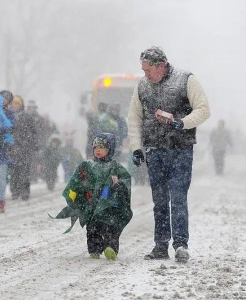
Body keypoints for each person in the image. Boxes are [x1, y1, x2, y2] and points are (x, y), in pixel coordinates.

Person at [128, 46, 210, 262]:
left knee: (178, 198)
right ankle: (161, 246)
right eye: (143, 70)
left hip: (180, 150)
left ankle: (181, 245)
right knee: (160, 200)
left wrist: (182, 123)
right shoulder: (142, 86)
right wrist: (136, 147)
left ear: (161, 66)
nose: (145, 74)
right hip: (155, 151)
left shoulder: (186, 80)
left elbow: (203, 109)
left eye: (148, 70)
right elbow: (134, 118)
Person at [50, 133, 133, 260]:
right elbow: (77, 181)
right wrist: (75, 194)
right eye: (95, 148)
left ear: (110, 150)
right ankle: (94, 249)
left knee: (110, 228)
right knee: (93, 228)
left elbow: (125, 181)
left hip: (109, 207)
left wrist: (118, 185)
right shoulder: (88, 166)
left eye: (102, 147)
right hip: (92, 205)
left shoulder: (116, 167)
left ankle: (111, 248)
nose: (98, 150)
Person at [10, 96, 37, 201]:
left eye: (16, 104)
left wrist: (31, 144)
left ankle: (25, 192)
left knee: (25, 171)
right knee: (14, 172)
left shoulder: (27, 116)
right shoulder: (9, 116)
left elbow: (33, 132)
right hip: (13, 149)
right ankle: (15, 191)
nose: (14, 106)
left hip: (25, 148)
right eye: (13, 104)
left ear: (20, 105)